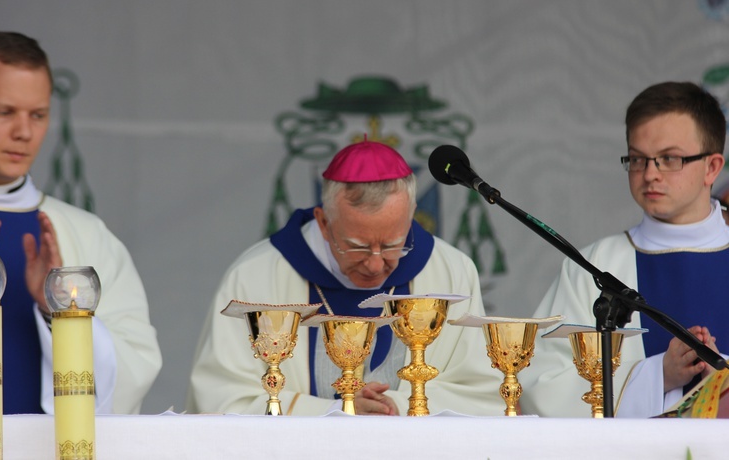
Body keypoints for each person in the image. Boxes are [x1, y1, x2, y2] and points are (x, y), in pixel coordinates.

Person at [187, 140, 504, 416]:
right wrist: (333, 413)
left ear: (411, 215)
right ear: (323, 222)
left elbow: (479, 392)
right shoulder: (256, 276)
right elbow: (222, 397)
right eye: (357, 247)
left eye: (392, 244)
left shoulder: (450, 271)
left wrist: (393, 406)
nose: (375, 265)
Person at [0, 30, 162, 414]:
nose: (24, 132)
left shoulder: (84, 233)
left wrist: (58, 310)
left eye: (38, 115)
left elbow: (136, 365)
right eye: (4, 111)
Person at [522, 81, 728, 418]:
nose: (649, 174)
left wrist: (720, 376)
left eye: (669, 159)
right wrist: (658, 376)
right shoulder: (595, 267)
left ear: (712, 167)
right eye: (637, 159)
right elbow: (541, 384)